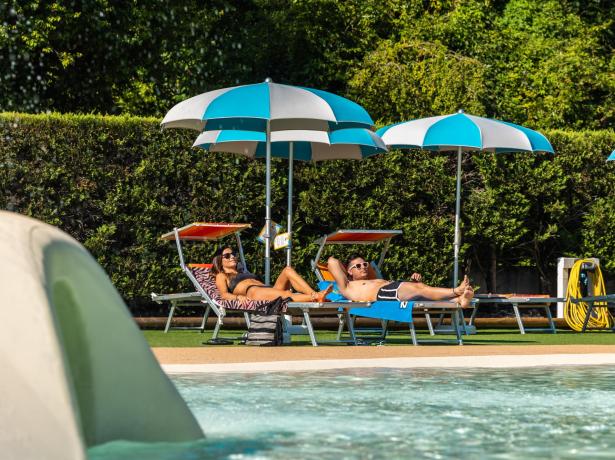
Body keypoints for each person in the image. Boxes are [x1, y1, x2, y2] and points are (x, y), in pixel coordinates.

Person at [327, 254, 474, 308]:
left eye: (364, 264)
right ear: (349, 271)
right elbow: (331, 261)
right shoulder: (347, 286)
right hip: (382, 294)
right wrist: (346, 270)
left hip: (390, 290)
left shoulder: (373, 279)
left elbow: (393, 287)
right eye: (357, 266)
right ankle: (457, 291)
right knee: (420, 289)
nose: (363, 267)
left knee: (420, 293)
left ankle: (459, 300)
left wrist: (410, 282)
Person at [212, 246, 332, 304]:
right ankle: (315, 297)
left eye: (233, 254)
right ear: (219, 260)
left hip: (266, 289)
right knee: (286, 294)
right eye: (227, 256)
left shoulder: (242, 271)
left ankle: (313, 294)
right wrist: (238, 297)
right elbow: (223, 294)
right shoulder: (222, 275)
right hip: (254, 293)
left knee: (288, 270)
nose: (232, 256)